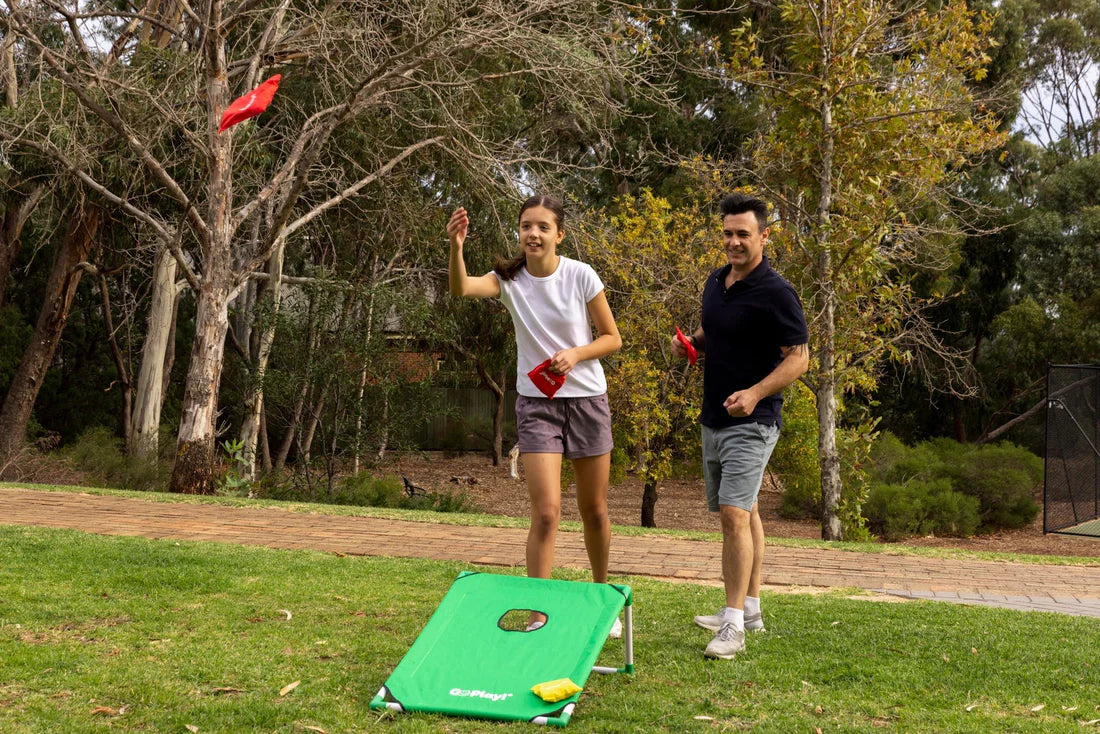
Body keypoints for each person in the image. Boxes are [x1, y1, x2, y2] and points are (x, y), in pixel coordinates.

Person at [447, 195, 624, 636]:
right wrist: (456, 248)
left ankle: (603, 602)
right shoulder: (509, 280)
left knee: (595, 510)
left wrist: (576, 355)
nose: (533, 234)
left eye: (543, 227)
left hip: (587, 401)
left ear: (559, 234)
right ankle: (537, 613)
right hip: (537, 405)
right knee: (546, 513)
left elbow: (612, 339)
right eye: (527, 226)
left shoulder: (581, 275)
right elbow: (461, 289)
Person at [671, 192, 809, 660]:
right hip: (714, 416)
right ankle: (750, 609)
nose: (733, 241)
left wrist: (754, 393)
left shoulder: (777, 292)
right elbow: (720, 331)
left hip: (754, 420)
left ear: (765, 236)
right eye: (728, 233)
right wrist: (693, 342)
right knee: (745, 511)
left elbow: (799, 359)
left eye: (743, 234)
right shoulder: (716, 282)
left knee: (733, 514)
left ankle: (732, 627)